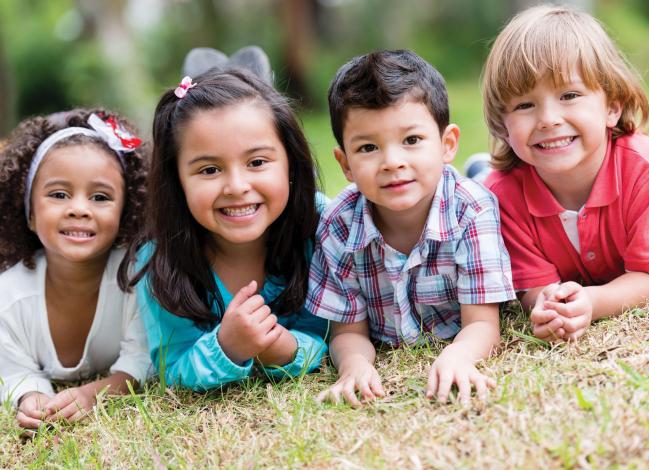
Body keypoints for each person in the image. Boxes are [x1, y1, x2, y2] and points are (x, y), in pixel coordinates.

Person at [307, 50, 515, 407]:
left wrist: (460, 354)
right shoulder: (338, 224)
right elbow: (348, 331)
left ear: (447, 143)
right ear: (345, 164)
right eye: (368, 147)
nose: (392, 162)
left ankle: (481, 169)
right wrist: (354, 364)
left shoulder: (472, 209)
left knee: (484, 184)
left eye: (412, 140)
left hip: (456, 308)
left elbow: (482, 323)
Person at [480, 5, 649, 342]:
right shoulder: (500, 197)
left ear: (612, 107)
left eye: (569, 95)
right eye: (525, 105)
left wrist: (592, 302)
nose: (548, 119)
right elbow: (536, 286)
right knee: (484, 181)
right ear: (502, 126)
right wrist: (551, 307)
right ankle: (481, 165)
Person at [120, 69, 328, 391]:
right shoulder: (161, 260)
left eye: (257, 162)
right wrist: (226, 347)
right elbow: (173, 367)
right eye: (210, 169)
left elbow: (335, 330)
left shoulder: (322, 225)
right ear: (176, 182)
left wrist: (285, 350)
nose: (236, 186)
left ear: (291, 162)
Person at [0, 108, 152, 430]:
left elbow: (143, 360)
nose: (79, 209)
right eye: (59, 195)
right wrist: (32, 397)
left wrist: (93, 394)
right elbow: (13, 370)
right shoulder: (8, 297)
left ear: (126, 213)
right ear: (29, 213)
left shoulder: (138, 279)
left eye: (100, 197)